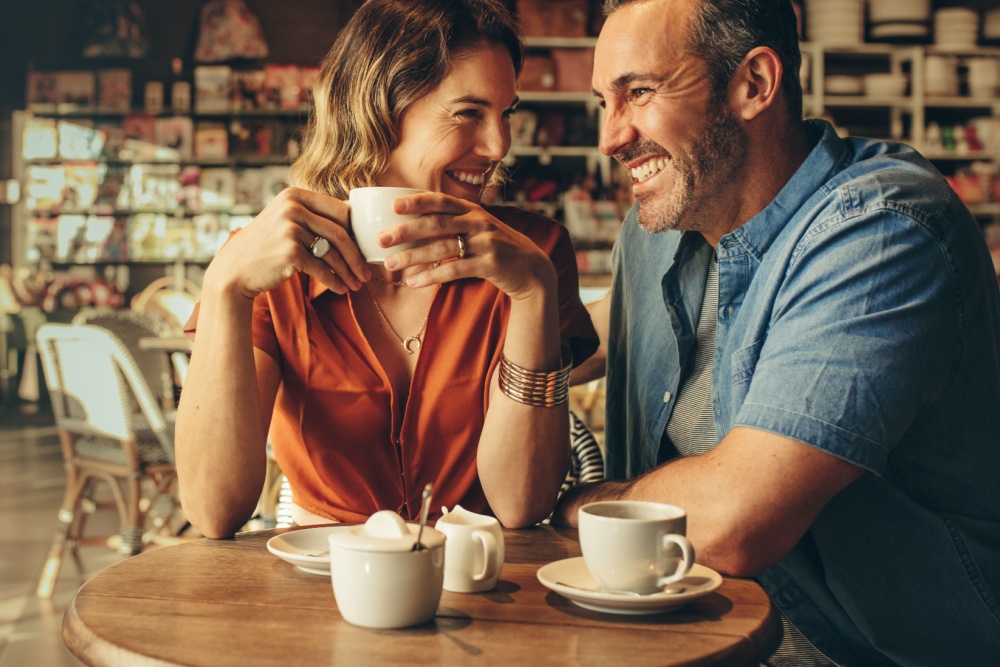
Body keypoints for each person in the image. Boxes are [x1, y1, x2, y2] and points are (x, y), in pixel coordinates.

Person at [555, 0, 1000, 665]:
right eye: (602, 103)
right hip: (696, 634)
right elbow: (606, 322)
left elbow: (735, 519)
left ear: (753, 85)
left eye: (639, 93)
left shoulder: (882, 233)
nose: (612, 138)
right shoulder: (665, 229)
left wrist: (578, 501)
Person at [175, 0, 597, 538]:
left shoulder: (532, 255)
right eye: (470, 112)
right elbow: (213, 510)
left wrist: (535, 294)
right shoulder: (269, 267)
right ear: (377, 109)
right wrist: (224, 287)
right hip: (320, 589)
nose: (500, 145)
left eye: (506, 112)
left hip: (484, 595)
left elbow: (520, 504)